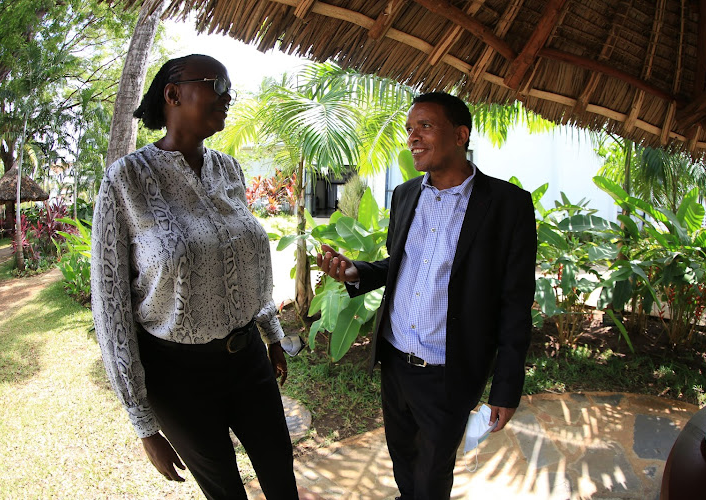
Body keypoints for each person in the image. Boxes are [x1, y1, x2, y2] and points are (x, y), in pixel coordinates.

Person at [91, 54, 299, 500]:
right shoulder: (123, 181)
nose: (228, 96)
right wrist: (143, 423)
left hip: (248, 361)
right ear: (173, 94)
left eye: (230, 88)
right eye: (217, 83)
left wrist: (272, 335)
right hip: (178, 376)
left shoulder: (229, 170)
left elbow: (249, 263)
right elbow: (110, 307)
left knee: (282, 476)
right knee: (225, 490)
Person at [317, 92, 537, 499]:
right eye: (409, 129)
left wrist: (506, 387)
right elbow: (401, 265)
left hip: (447, 371)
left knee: (433, 474)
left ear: (460, 134)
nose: (412, 137)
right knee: (402, 457)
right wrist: (355, 272)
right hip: (395, 361)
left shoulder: (507, 206)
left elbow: (515, 304)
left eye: (425, 126)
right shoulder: (404, 195)